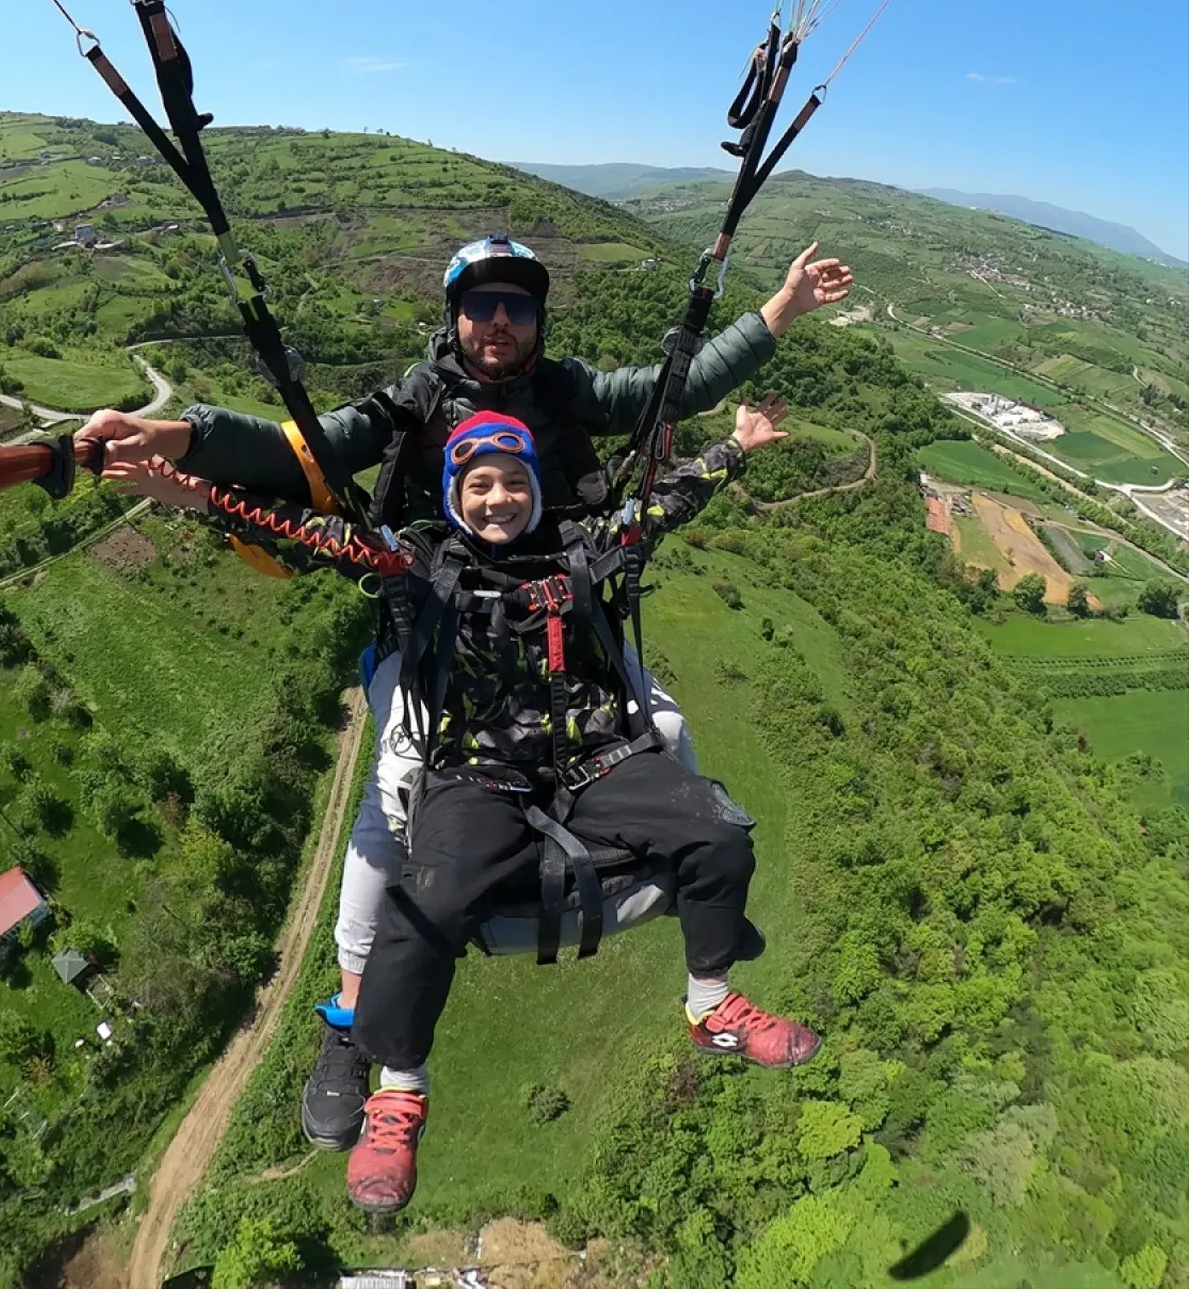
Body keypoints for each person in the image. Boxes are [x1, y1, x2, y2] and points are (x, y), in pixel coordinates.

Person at [79, 232, 853, 1145]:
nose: (498, 321)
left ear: (535, 320)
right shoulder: (413, 404)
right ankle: (355, 1025)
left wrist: (781, 316)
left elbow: (665, 398)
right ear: (452, 316)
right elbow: (302, 458)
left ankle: (698, 920)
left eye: (517, 305)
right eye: (481, 304)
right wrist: (174, 447)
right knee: (392, 812)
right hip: (436, 615)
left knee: (668, 734)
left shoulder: (564, 393)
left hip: (567, 608)